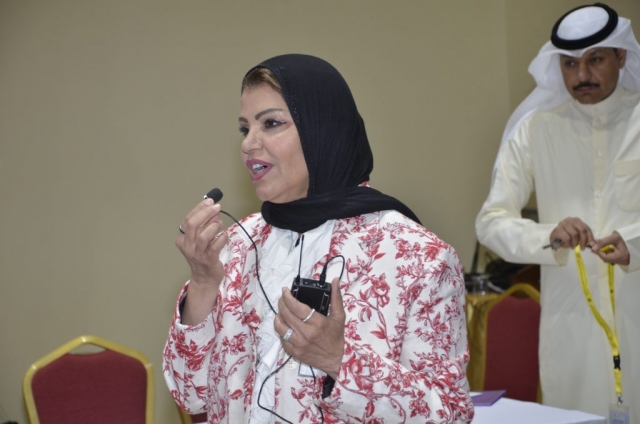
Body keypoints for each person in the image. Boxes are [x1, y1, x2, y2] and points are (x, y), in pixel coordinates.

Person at [163, 54, 473, 423]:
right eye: (245, 129)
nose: (248, 144)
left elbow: (450, 413)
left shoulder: (418, 257)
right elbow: (191, 396)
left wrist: (338, 359)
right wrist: (202, 282)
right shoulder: (238, 244)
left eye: (271, 123)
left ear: (322, 131)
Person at [476, 2, 640, 421]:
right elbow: (490, 222)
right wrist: (547, 236)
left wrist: (635, 244)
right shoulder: (536, 129)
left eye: (595, 60)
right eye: (569, 63)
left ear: (621, 56)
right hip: (571, 325)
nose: (581, 75)